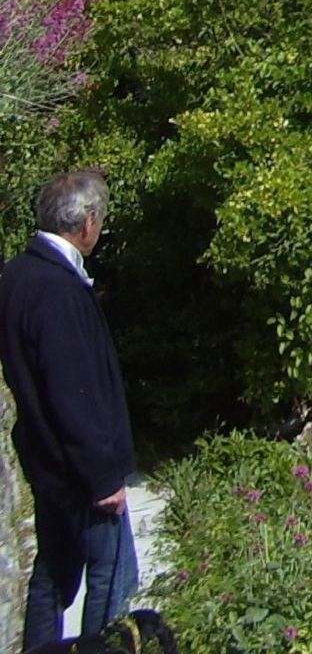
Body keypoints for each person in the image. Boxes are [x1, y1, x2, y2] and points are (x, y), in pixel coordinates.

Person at [0, 171, 139, 650]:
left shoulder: (18, 274)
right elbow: (72, 391)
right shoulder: (56, 287)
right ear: (87, 221)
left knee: (54, 574)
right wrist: (103, 478)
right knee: (113, 572)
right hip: (79, 469)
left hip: (48, 460)